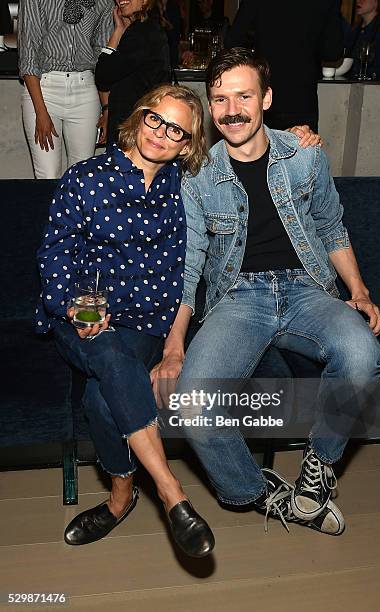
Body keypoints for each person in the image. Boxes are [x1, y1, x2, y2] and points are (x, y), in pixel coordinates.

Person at [152, 47, 380, 531]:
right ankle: (255, 492)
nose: (231, 110)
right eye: (219, 99)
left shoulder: (303, 155)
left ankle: (319, 466)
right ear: (211, 107)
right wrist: (174, 346)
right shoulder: (195, 176)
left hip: (306, 289)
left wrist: (358, 291)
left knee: (363, 353)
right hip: (239, 298)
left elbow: (331, 226)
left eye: (243, 96)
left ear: (267, 99)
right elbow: (190, 263)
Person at [35, 84, 215, 558]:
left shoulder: (188, 189)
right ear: (139, 116)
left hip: (145, 324)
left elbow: (251, 151)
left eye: (176, 129)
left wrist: (300, 137)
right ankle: (172, 493)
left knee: (101, 397)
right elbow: (55, 253)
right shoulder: (86, 176)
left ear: (187, 144)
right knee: (109, 355)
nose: (161, 133)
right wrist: (75, 305)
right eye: (156, 119)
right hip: (80, 313)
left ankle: (121, 497)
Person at [18, 0, 113, 179]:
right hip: (44, 89)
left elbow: (103, 60)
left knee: (82, 177)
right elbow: (28, 54)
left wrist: (107, 108)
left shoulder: (103, 2)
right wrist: (41, 111)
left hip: (86, 89)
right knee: (47, 175)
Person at [225, 0, 343, 132]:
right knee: (301, 148)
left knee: (256, 150)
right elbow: (332, 52)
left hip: (263, 91)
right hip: (300, 96)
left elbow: (233, 42)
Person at [95, 0, 172, 146]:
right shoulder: (150, 27)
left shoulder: (141, 32)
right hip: (144, 125)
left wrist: (118, 31)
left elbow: (102, 75)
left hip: (134, 128)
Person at [346, 0, 380, 80]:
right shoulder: (355, 30)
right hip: (352, 84)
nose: (359, 1)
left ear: (376, 2)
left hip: (372, 86)